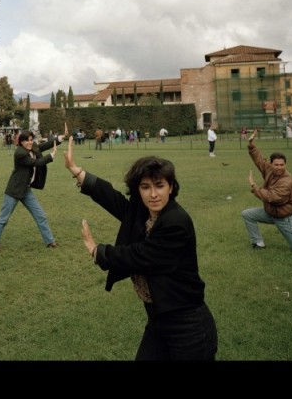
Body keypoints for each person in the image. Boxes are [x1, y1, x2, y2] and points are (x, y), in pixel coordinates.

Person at [63, 136, 218, 360]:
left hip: (188, 327)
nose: (153, 194)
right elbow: (116, 201)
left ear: (171, 187)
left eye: (159, 186)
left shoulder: (175, 222)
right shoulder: (147, 213)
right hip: (158, 321)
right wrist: (78, 172)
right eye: (145, 187)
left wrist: (99, 252)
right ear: (138, 190)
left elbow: (141, 255)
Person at [0, 129, 64, 250]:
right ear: (21, 142)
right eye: (26, 141)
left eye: (31, 140)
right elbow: (37, 163)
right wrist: (52, 155)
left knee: (40, 215)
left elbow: (43, 145)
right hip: (14, 190)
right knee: (4, 218)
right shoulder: (20, 153)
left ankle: (50, 241)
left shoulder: (32, 147)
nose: (29, 142)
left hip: (26, 189)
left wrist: (59, 138)